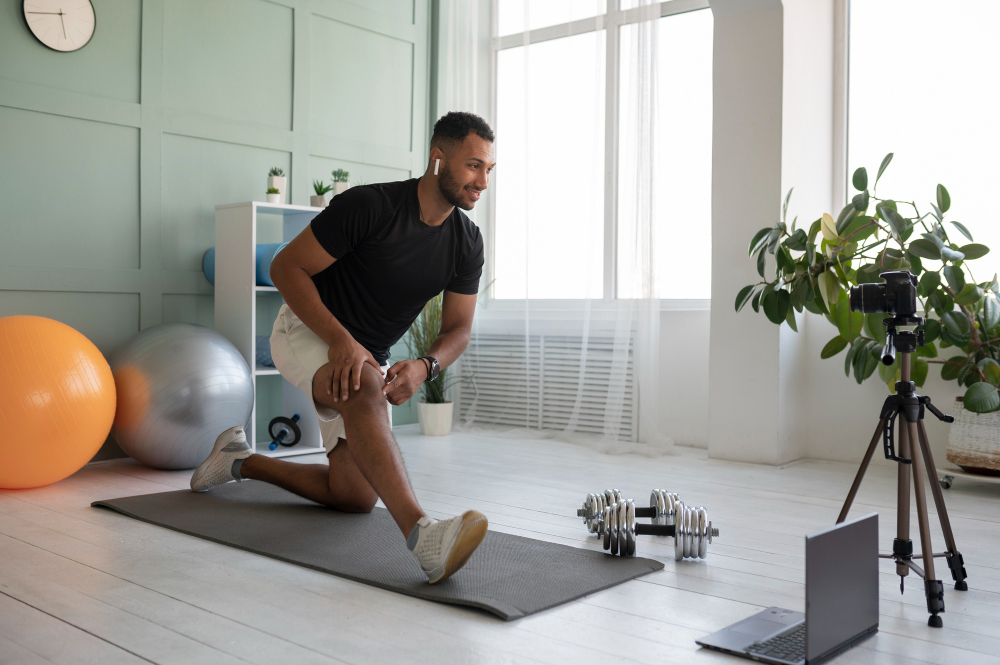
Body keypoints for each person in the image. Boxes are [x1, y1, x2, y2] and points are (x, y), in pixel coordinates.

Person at [190, 112, 496, 584]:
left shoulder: (466, 242)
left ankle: (239, 460)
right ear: (439, 158)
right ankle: (424, 537)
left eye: (488, 170)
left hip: (368, 355)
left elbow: (458, 328)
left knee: (353, 496)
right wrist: (341, 342)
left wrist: (425, 365)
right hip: (309, 331)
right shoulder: (369, 206)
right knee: (367, 388)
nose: (482, 181)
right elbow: (286, 268)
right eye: (474, 166)